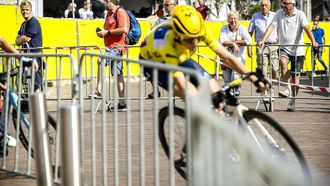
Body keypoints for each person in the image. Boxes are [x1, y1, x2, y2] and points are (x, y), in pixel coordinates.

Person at [140, 5, 267, 109]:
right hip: (153, 62)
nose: (195, 44)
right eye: (190, 40)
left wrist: (254, 78)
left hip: (180, 56)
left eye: (197, 38)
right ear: (178, 35)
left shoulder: (198, 29)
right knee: (191, 94)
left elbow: (227, 57)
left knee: (215, 91)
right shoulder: (167, 42)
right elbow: (182, 84)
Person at [258, 0, 318, 111]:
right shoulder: (279, 13)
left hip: (298, 50)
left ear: (293, 5)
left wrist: (313, 41)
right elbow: (271, 27)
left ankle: (293, 101)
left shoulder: (300, 14)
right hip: (284, 47)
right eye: (283, 3)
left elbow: (307, 28)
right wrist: (263, 40)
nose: (283, 5)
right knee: (282, 62)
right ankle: (286, 87)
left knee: (296, 78)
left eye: (286, 3)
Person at [90, 0, 129, 112]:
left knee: (100, 61)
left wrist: (107, 33)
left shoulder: (120, 12)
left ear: (113, 1)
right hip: (110, 47)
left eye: (106, 1)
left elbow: (124, 29)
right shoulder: (108, 14)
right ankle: (122, 103)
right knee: (118, 74)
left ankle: (99, 90)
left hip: (117, 47)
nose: (104, 3)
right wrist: (103, 33)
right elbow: (109, 30)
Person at [248, 0, 279, 100]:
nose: (264, 7)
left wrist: (280, 41)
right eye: (262, 5)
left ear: (269, 6)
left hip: (274, 45)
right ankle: (265, 92)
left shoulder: (275, 15)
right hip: (261, 47)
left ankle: (270, 88)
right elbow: (249, 33)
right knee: (263, 70)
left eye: (266, 5)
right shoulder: (255, 16)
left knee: (275, 69)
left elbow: (281, 29)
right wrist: (249, 47)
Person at [147, 0, 177, 99]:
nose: (165, 7)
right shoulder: (161, 19)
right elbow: (152, 31)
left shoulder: (179, 18)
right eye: (165, 5)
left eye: (167, 5)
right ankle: (155, 91)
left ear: (174, 5)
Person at [219, 10, 252, 96]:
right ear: (228, 20)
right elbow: (222, 41)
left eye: (235, 18)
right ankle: (230, 100)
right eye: (231, 18)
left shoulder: (242, 28)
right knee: (227, 80)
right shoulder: (224, 28)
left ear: (238, 19)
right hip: (225, 58)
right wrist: (232, 44)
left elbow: (248, 41)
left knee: (235, 77)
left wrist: (236, 43)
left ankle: (236, 92)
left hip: (238, 58)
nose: (233, 20)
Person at [15, 0, 43, 92]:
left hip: (35, 56)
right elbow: (17, 41)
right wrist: (21, 39)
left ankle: (38, 105)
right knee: (25, 83)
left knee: (36, 84)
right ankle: (31, 104)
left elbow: (27, 39)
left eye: (27, 9)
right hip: (26, 57)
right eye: (23, 10)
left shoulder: (33, 22)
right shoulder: (23, 24)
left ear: (31, 10)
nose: (25, 12)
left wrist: (22, 38)